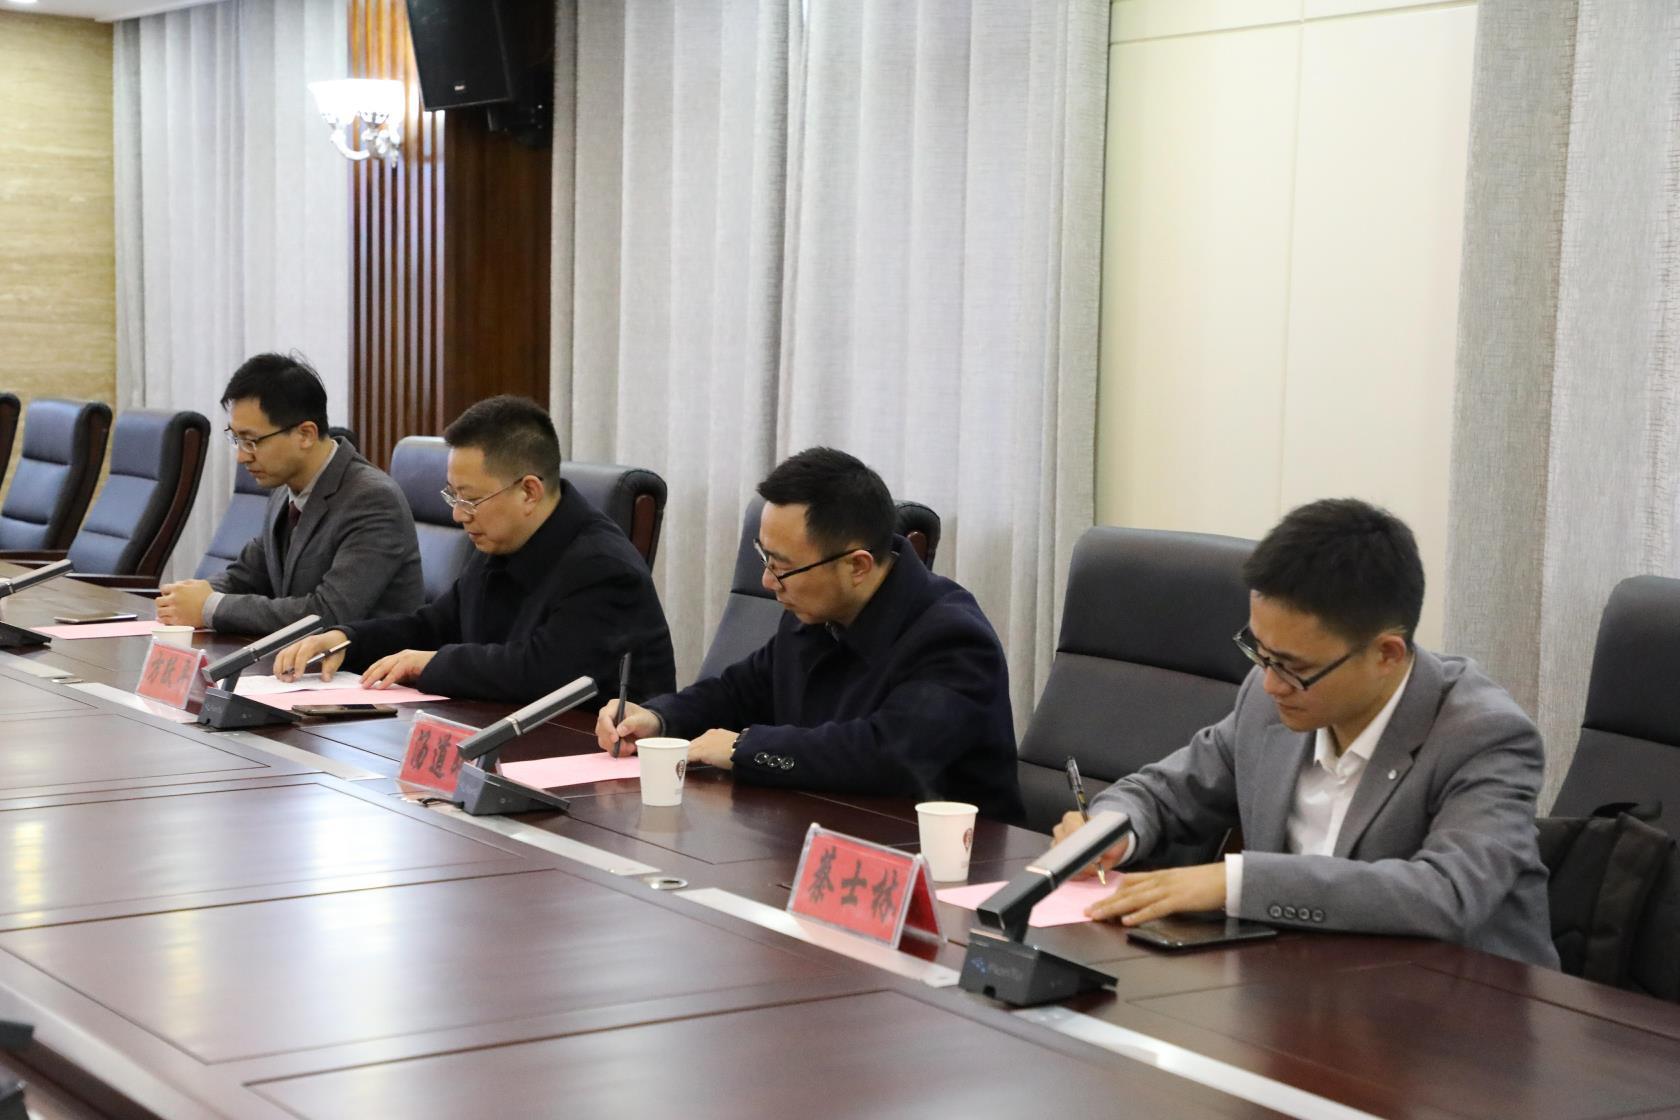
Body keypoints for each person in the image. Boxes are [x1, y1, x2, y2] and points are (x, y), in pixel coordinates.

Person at [1055, 498, 1558, 967]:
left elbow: (1447, 893)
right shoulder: (1268, 699)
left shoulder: (1485, 735)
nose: (1270, 683)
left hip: (1458, 1003)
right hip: (1300, 982)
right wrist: (1111, 830)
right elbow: (1165, 793)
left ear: (1387, 654)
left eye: (1294, 667)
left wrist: (1235, 882)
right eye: (1259, 651)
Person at [596, 447, 1023, 822]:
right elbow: (738, 692)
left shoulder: (952, 638)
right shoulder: (815, 612)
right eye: (764, 557)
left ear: (857, 565)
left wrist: (745, 748)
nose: (767, 581)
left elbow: (889, 754)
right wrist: (658, 718)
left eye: (782, 567)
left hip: (946, 863)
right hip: (819, 831)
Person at [272, 395, 676, 704]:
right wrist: (346, 640)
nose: (458, 515)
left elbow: (540, 672)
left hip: (591, 768)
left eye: (470, 499)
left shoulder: (603, 568)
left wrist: (429, 663)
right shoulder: (500, 541)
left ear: (529, 491)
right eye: (453, 496)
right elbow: (434, 626)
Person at [157, 353, 424, 634]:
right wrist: (187, 597)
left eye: (251, 441)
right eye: (236, 439)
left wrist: (210, 607)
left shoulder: (372, 500)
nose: (241, 457)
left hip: (364, 660)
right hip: (296, 658)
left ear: (306, 434)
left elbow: (327, 614)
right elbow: (246, 576)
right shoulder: (285, 489)